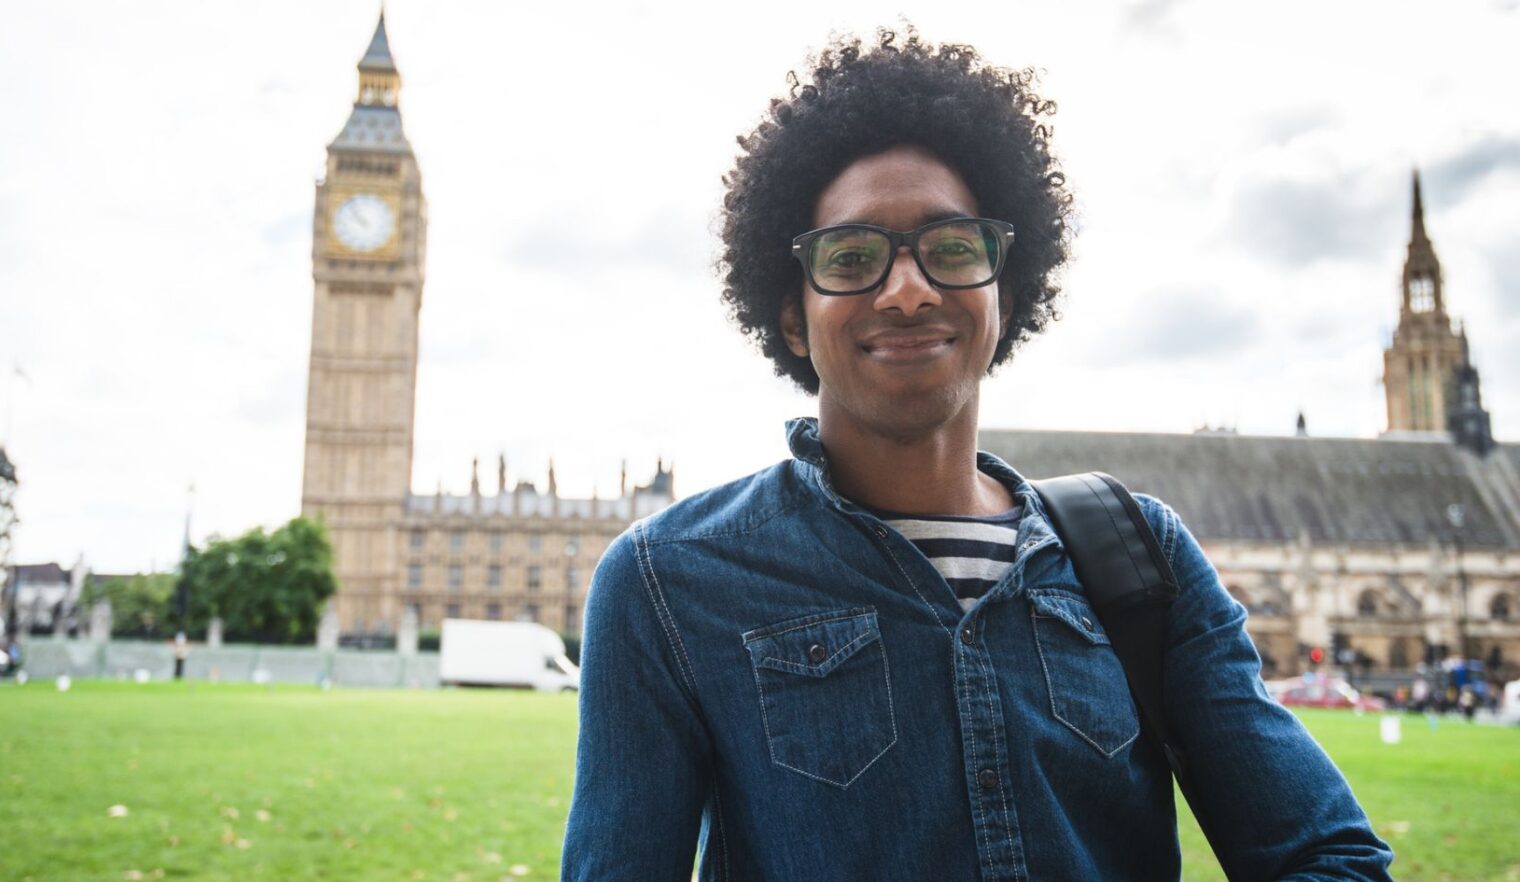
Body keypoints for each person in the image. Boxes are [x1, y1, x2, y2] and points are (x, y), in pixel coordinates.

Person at [561, 29, 1393, 881]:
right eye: (852, 257)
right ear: (789, 317)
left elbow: (1332, 857)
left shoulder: (1143, 558)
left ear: (1004, 290)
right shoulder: (667, 581)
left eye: (951, 248)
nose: (909, 288)